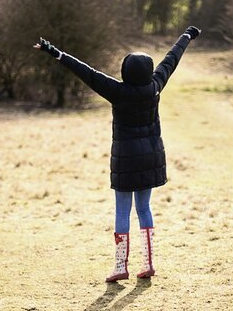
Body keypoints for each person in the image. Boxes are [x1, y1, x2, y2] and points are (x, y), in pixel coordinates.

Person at [34, 26, 201, 282]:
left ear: (125, 71)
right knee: (144, 208)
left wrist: (55, 53)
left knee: (122, 212)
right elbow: (172, 58)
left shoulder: (116, 91)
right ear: (148, 71)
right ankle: (148, 264)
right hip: (151, 158)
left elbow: (86, 72)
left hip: (125, 159)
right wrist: (187, 36)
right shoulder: (155, 86)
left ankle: (120, 266)